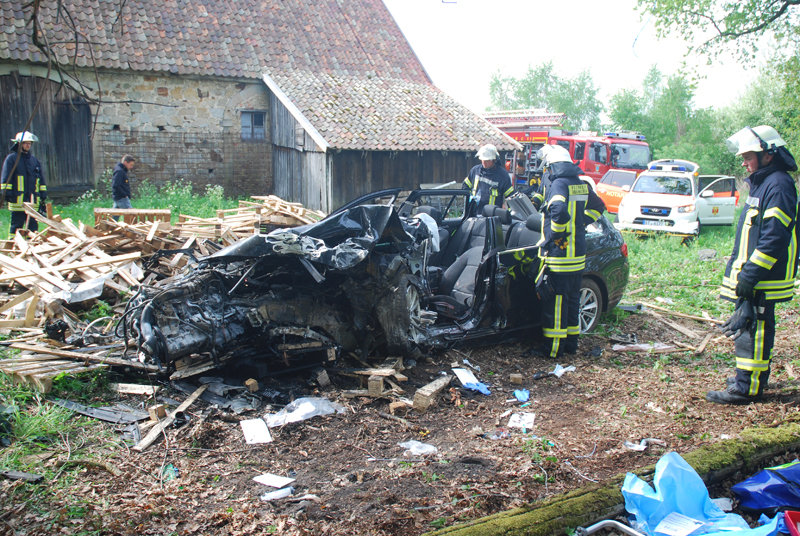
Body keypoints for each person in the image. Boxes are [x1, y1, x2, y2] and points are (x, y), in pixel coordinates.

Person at [707, 125, 799, 405]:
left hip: (762, 275)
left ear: (768, 155)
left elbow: (774, 238)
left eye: (748, 157)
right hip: (757, 274)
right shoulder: (766, 182)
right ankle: (749, 378)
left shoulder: (778, 185)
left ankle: (746, 388)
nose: (744, 163)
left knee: (754, 328)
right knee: (752, 324)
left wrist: (750, 275)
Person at [531, 144, 606, 358]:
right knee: (573, 302)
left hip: (560, 257)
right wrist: (580, 222)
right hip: (577, 257)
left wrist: (557, 234)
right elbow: (599, 207)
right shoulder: (580, 184)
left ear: (552, 166)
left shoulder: (559, 184)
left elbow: (558, 210)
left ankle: (553, 350)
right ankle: (571, 345)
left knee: (555, 304)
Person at [1, 131, 47, 235]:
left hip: (32, 200)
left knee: (33, 227)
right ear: (19, 144)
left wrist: (43, 194)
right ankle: (14, 243)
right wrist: (7, 193)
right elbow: (6, 178)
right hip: (17, 200)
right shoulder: (12, 159)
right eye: (25, 143)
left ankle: (32, 243)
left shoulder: (34, 160)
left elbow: (41, 179)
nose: (28, 145)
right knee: (16, 225)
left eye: (29, 143)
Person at [462, 144, 513, 214]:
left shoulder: (502, 175)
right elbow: (465, 186)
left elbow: (510, 197)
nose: (484, 162)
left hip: (492, 217)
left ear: (494, 160)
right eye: (483, 160)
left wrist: (510, 215)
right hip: (474, 213)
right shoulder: (475, 171)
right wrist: (469, 198)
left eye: (487, 160)